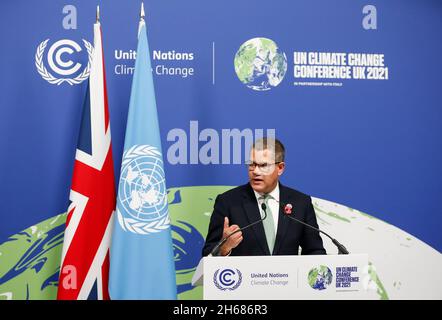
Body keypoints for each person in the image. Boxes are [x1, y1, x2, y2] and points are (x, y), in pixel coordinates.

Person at [202, 137, 326, 256]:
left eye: (263, 166)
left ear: (280, 168)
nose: (255, 171)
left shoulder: (300, 203)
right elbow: (207, 255)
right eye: (251, 164)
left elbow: (315, 252)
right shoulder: (228, 202)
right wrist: (224, 248)